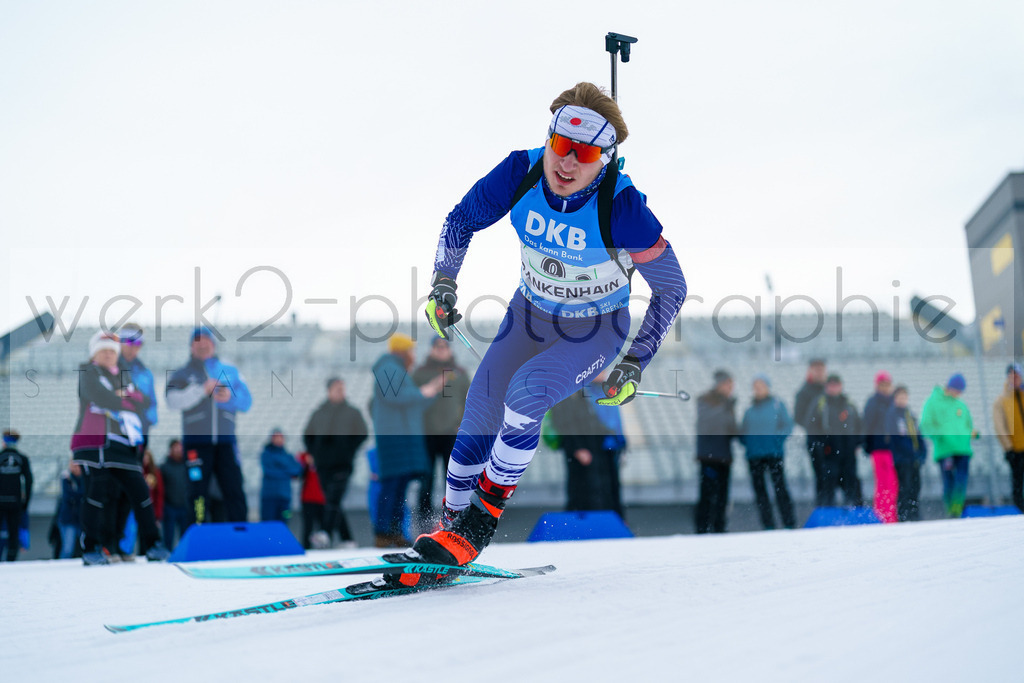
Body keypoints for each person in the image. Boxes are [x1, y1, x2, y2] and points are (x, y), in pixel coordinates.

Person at [399, 82, 685, 577]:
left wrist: (636, 360)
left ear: (606, 158)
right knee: (479, 410)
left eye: (585, 152)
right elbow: (460, 220)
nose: (567, 162)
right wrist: (444, 282)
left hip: (594, 329)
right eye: (560, 145)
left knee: (525, 395)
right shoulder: (522, 170)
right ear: (548, 138)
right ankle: (449, 530)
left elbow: (672, 288)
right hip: (529, 315)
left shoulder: (623, 207)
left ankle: (477, 526)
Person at [70, 330, 168, 564]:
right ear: (95, 352)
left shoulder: (122, 375)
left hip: (124, 444)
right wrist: (125, 399)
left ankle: (153, 544)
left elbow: (143, 402)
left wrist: (120, 397)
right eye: (103, 350)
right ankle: (92, 548)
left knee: (140, 493)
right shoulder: (88, 371)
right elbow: (98, 396)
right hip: (96, 443)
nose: (108, 354)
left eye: (111, 351)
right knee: (96, 494)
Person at [165, 326, 252, 525]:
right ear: (190, 346)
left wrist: (229, 397)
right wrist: (200, 390)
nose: (202, 344)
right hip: (197, 443)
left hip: (226, 443)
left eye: (206, 340)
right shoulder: (182, 373)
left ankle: (240, 532)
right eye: (197, 340)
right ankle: (198, 530)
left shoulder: (229, 371)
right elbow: (171, 400)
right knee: (197, 491)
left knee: (233, 488)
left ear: (213, 344)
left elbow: (246, 401)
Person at [370, 334, 444, 547]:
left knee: (399, 487)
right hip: (394, 440)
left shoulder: (397, 369)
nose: (413, 355)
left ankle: (393, 532)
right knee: (391, 486)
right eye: (411, 351)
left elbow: (412, 404)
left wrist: (431, 392)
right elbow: (396, 396)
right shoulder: (389, 367)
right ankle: (382, 532)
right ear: (402, 351)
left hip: (402, 441)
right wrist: (424, 391)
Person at [547, 370, 627, 517]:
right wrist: (577, 448)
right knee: (583, 487)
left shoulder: (582, 392)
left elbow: (592, 421)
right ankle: (582, 524)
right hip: (581, 448)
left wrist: (615, 439)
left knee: (603, 487)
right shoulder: (567, 391)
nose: (604, 372)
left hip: (598, 445)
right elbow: (564, 423)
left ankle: (607, 520)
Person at [411, 337, 471, 527]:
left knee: (452, 479)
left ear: (450, 349)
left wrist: (461, 425)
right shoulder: (420, 373)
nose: (441, 350)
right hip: (426, 434)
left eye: (445, 347)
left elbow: (469, 401)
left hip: (452, 434)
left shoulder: (460, 373)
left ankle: (453, 522)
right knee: (426, 479)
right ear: (431, 350)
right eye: (437, 347)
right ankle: (424, 523)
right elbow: (412, 403)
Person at [302, 377, 369, 546]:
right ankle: (347, 539)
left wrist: (349, 449)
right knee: (333, 501)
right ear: (329, 390)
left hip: (343, 463)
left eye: (342, 388)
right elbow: (307, 435)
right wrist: (312, 453)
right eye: (337, 388)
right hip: (323, 464)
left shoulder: (352, 412)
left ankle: (325, 532)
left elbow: (362, 433)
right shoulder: (318, 413)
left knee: (334, 497)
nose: (341, 391)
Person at [740, 374, 796, 530]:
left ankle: (789, 522)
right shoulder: (749, 409)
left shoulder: (778, 405)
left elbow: (787, 426)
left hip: (774, 454)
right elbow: (743, 431)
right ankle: (768, 524)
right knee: (760, 492)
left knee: (780, 488)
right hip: (754, 456)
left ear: (767, 387)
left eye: (761, 385)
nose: (758, 389)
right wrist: (748, 443)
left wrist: (776, 440)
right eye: (755, 386)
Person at [804, 374, 864, 508]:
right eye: (831, 385)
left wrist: (858, 443)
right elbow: (812, 427)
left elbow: (859, 426)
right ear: (826, 387)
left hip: (848, 452)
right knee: (827, 483)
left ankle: (855, 513)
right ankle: (826, 513)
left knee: (852, 482)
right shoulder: (820, 404)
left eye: (836, 385)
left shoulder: (849, 404)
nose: (834, 388)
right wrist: (820, 446)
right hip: (828, 453)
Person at [921, 373, 975, 518]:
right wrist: (940, 435)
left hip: (963, 448)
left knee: (961, 479)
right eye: (957, 389)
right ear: (950, 387)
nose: (958, 393)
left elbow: (968, 425)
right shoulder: (933, 402)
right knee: (949, 480)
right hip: (945, 449)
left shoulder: (960, 405)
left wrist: (972, 433)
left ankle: (957, 509)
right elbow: (925, 425)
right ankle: (951, 509)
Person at [694, 370, 739, 534]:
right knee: (707, 495)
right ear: (720, 384)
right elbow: (707, 425)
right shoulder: (705, 400)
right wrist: (726, 408)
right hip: (709, 457)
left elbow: (731, 429)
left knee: (722, 497)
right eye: (729, 384)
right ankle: (702, 528)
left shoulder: (727, 403)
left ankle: (719, 528)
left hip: (724, 457)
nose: (731, 388)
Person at [885, 385, 927, 522]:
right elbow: (896, 439)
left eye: (905, 397)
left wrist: (922, 453)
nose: (902, 400)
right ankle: (904, 515)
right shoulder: (892, 415)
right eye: (900, 397)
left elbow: (918, 436)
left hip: (913, 459)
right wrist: (909, 452)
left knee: (915, 487)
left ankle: (914, 514)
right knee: (905, 487)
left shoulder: (910, 415)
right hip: (902, 459)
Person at [863, 371, 897, 523]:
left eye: (887, 385)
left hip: (892, 449)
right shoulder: (873, 402)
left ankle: (890, 514)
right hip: (879, 448)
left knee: (893, 483)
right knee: (883, 482)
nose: (885, 388)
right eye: (882, 385)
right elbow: (867, 424)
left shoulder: (893, 402)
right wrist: (867, 444)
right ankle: (883, 515)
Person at [794, 359, 828, 503]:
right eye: (817, 369)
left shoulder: (829, 389)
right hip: (816, 440)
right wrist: (815, 427)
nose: (820, 372)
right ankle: (823, 508)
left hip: (833, 440)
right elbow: (799, 417)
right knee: (821, 476)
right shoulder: (804, 392)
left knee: (836, 475)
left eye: (822, 369)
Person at [992, 363, 1024, 513]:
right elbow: (999, 426)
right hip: (1016, 449)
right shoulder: (1002, 401)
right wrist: (1008, 447)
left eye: (1017, 375)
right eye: (1011, 375)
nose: (1015, 378)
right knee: (1018, 481)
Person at [0, 429, 33, 561]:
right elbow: (29, 481)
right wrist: (25, 502)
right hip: (15, 501)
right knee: (14, 532)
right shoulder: (22, 458)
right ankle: (11, 559)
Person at [259, 428, 302, 524]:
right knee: (268, 524)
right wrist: (287, 473)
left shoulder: (288, 456)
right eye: (276, 437)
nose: (278, 439)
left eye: (280, 437)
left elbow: (298, 470)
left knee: (285, 522)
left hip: (285, 498)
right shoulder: (266, 454)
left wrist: (280, 467)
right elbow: (269, 472)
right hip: (269, 497)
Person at [159, 439, 189, 550]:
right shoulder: (164, 467)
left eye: (180, 447)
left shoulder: (187, 466)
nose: (179, 450)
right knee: (168, 536)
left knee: (185, 535)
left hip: (185, 506)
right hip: (169, 507)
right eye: (176, 448)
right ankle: (167, 554)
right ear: (170, 450)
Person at [296, 450, 329, 549]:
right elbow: (297, 474)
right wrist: (306, 464)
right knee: (308, 526)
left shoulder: (325, 455)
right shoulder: (304, 456)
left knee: (324, 526)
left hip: (322, 498)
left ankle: (323, 547)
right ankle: (306, 547)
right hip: (308, 498)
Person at [56, 459, 85, 558]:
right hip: (68, 519)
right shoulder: (66, 479)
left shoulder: (84, 479)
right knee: (68, 549)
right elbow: (68, 496)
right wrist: (80, 495)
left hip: (81, 519)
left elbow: (85, 494)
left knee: (86, 547)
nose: (75, 468)